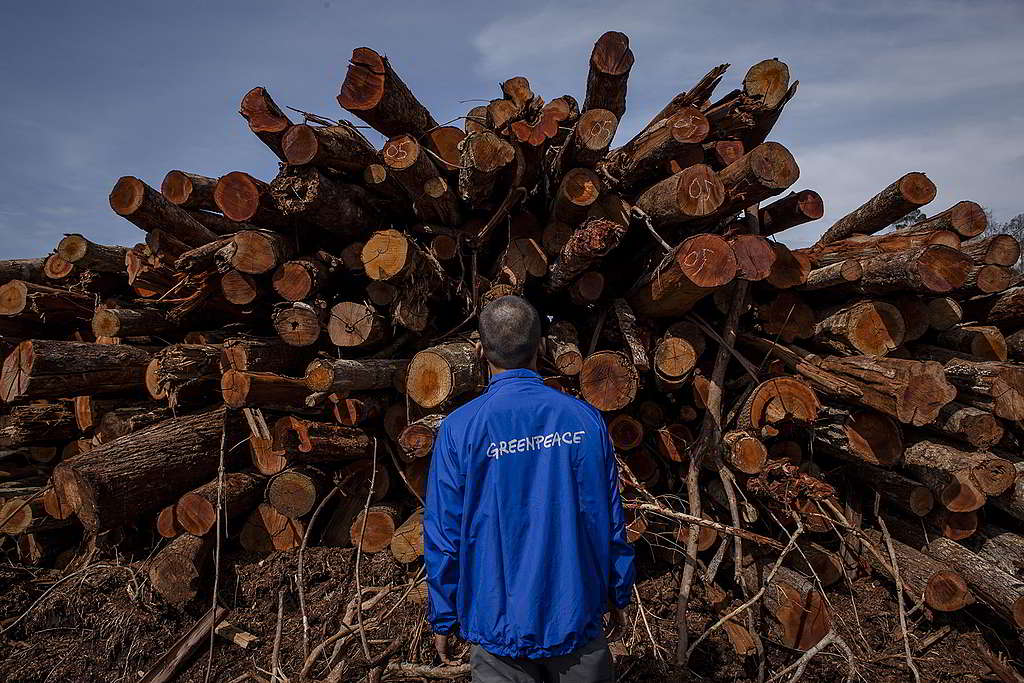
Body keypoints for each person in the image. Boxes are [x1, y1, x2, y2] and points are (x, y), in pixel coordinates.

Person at [424, 295, 636, 682]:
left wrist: (444, 616)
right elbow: (609, 519)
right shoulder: (584, 420)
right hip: (576, 617)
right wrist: (618, 592)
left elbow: (444, 534)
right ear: (541, 346)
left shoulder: (459, 428)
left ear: (478, 351)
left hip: (496, 628)